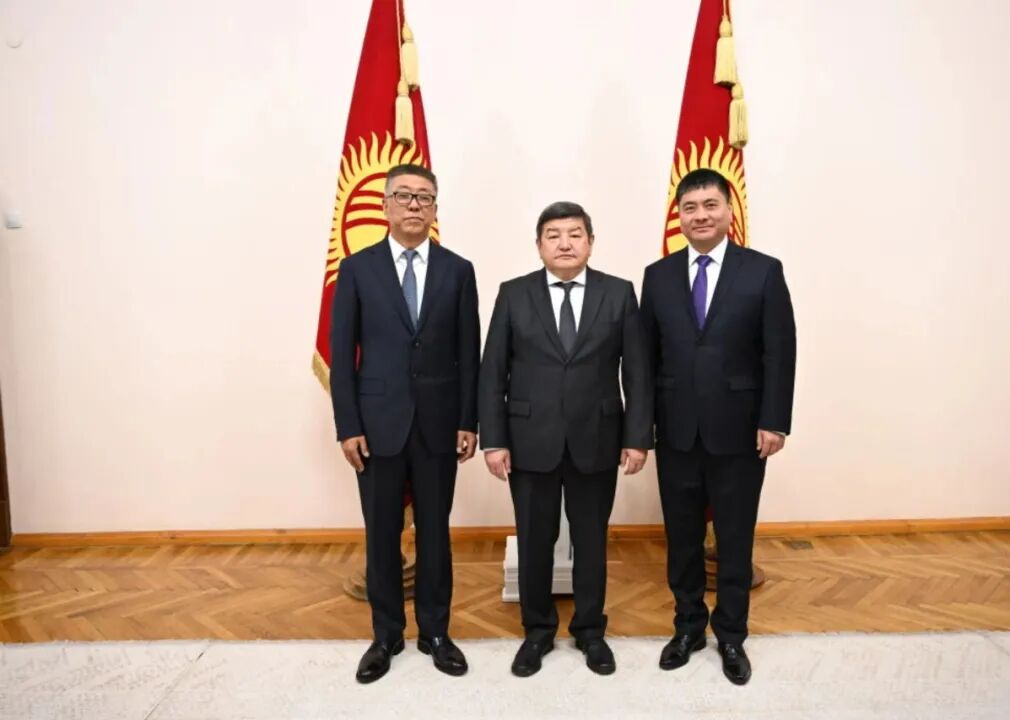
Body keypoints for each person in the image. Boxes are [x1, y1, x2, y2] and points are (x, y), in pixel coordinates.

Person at [478, 201, 652, 677]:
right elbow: (492, 372)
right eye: (553, 235)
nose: (565, 243)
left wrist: (637, 437)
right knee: (535, 539)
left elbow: (637, 372)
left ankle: (590, 630)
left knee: (591, 540)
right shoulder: (513, 294)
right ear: (539, 246)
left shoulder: (618, 294)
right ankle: (537, 631)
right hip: (528, 439)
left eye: (575, 234)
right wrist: (494, 440)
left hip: (598, 437)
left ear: (590, 242)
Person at [640, 168, 796, 685]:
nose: (700, 215)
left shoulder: (763, 271)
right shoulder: (658, 276)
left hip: (741, 431)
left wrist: (774, 420)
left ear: (730, 211)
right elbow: (644, 359)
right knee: (682, 538)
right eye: (690, 208)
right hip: (676, 430)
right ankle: (687, 627)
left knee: (734, 537)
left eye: (710, 205)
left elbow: (779, 352)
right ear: (679, 217)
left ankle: (731, 635)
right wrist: (641, 428)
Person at [330, 163, 480, 683]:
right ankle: (386, 635)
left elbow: (469, 352)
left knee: (435, 532)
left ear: (435, 208)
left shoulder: (458, 270)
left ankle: (436, 633)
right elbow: (342, 355)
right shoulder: (357, 269)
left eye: (425, 197)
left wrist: (468, 419)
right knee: (381, 534)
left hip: (439, 425)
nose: (415, 205)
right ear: (385, 205)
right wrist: (347, 425)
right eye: (405, 196)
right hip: (376, 426)